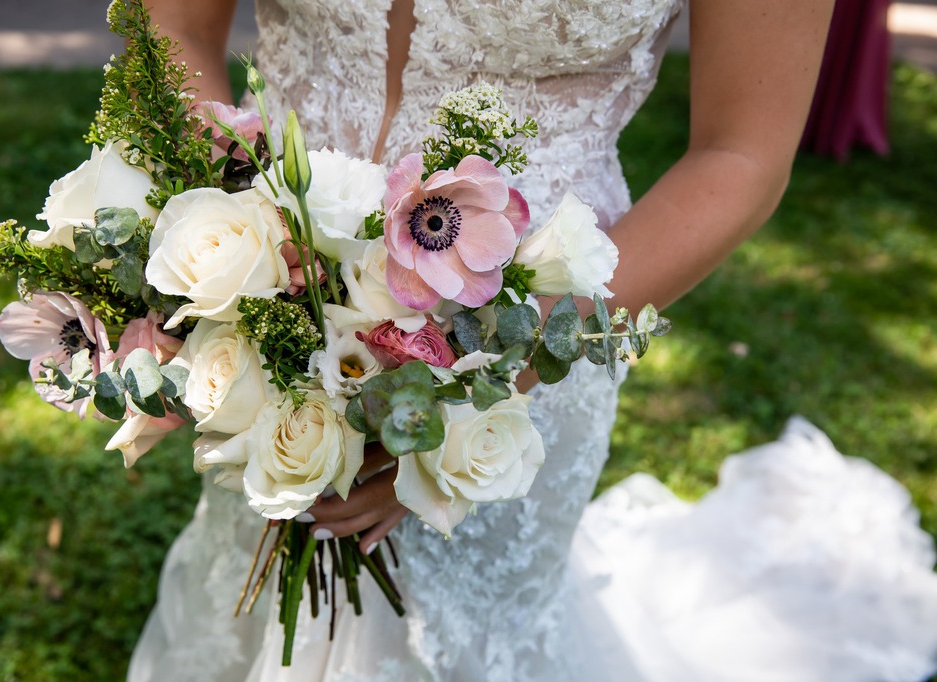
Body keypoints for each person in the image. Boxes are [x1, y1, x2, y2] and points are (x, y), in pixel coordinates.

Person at [127, 1, 937, 680]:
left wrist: (471, 381)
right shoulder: (250, 286)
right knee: (256, 569)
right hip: (266, 297)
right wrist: (229, 253)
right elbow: (178, 24)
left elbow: (741, 154)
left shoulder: (510, 361)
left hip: (537, 335)